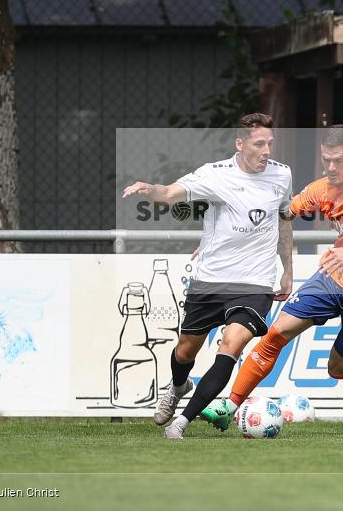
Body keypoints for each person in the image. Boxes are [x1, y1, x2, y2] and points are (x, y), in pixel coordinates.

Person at [201, 124, 343, 428]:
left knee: (338, 367)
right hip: (333, 277)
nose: (331, 167)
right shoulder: (320, 189)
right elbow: (280, 213)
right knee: (276, 334)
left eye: (338, 160)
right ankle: (229, 406)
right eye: (326, 160)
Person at [122, 113, 293, 439]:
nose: (266, 150)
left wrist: (288, 270)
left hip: (255, 282)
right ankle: (178, 386)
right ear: (240, 144)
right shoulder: (216, 174)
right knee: (186, 350)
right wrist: (150, 189)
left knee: (231, 346)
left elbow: (284, 219)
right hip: (212, 279)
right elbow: (171, 193)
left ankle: (181, 423)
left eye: (270, 143)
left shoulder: (281, 175)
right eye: (259, 144)